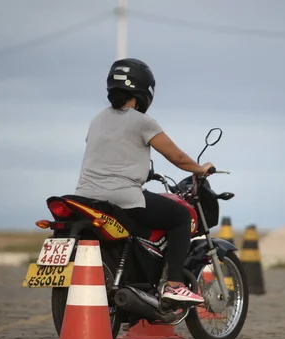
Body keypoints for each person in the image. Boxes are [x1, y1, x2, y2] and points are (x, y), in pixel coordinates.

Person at [74, 58, 213, 305]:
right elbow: (177, 157)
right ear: (144, 90)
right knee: (180, 216)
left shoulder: (98, 119)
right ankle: (174, 285)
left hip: (87, 197)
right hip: (123, 198)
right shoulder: (142, 121)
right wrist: (200, 169)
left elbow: (109, 152)